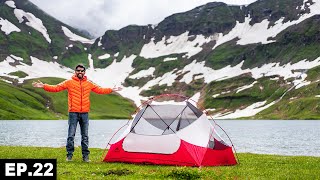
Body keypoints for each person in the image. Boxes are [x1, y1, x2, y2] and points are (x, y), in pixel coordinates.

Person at [32, 64, 122, 162]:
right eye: (78, 70)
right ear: (75, 72)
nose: (80, 72)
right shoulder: (69, 82)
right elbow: (56, 88)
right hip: (73, 113)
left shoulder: (89, 83)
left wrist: (111, 89)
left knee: (85, 136)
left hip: (85, 113)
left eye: (82, 71)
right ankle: (69, 156)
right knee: (71, 135)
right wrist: (44, 86)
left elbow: (100, 90)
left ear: (84, 72)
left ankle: (86, 157)